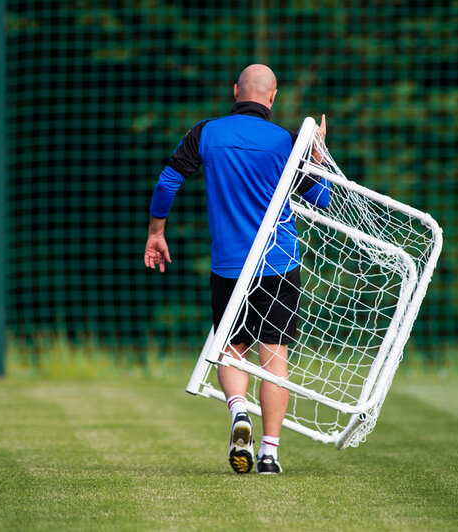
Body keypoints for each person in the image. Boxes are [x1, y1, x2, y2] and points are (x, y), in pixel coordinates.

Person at [144, 64, 329, 474]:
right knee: (274, 355)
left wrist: (156, 232)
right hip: (279, 263)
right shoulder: (286, 141)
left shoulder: (206, 132)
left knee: (232, 348)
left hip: (229, 265)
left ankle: (238, 412)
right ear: (272, 96)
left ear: (235, 92)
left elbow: (167, 182)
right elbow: (321, 199)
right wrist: (317, 155)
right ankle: (269, 453)